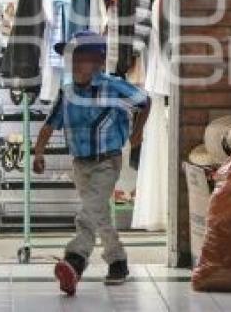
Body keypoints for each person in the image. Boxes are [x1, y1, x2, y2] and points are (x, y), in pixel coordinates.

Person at [33, 30, 149, 296]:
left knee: (88, 213)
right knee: (99, 215)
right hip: (80, 165)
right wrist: (38, 153)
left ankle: (75, 261)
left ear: (98, 61)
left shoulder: (113, 86)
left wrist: (138, 131)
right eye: (71, 59)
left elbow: (145, 102)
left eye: (80, 59)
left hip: (107, 161)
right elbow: (49, 125)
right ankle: (118, 262)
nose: (74, 64)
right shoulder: (66, 93)